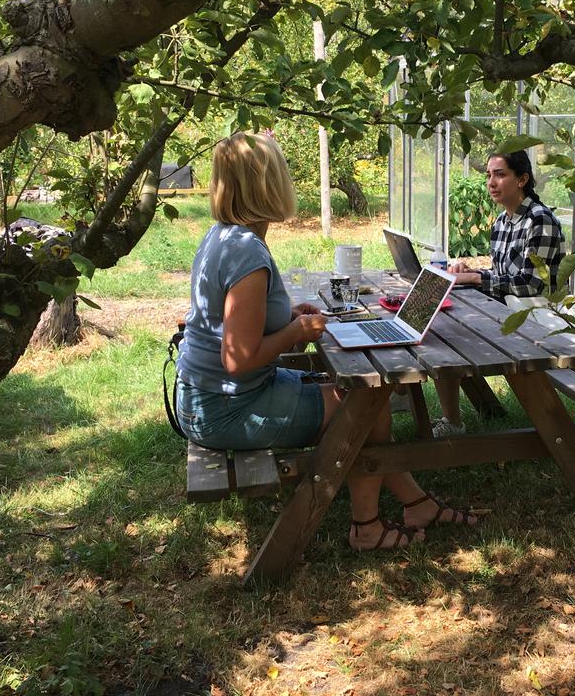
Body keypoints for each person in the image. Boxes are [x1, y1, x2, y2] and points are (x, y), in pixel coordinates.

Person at [176, 132, 477, 551]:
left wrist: (286, 316)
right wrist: (296, 331)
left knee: (363, 397)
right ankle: (367, 528)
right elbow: (238, 360)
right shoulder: (246, 252)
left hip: (209, 398)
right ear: (266, 184)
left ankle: (417, 504)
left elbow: (236, 321)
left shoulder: (224, 236)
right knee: (368, 406)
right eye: (282, 171)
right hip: (226, 409)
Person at [432, 149, 566, 436]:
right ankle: (424, 406)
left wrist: (474, 277)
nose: (491, 182)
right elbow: (503, 274)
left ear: (522, 179)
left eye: (500, 174)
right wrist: (471, 270)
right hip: (505, 308)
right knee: (441, 322)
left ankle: (450, 422)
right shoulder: (503, 222)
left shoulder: (539, 220)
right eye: (489, 175)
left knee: (446, 333)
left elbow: (531, 284)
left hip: (534, 317)